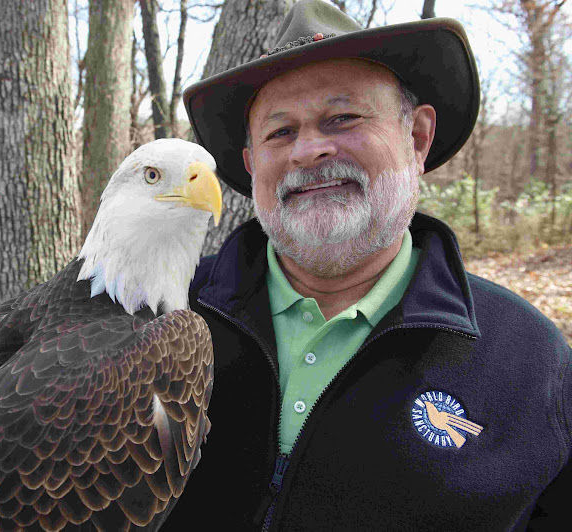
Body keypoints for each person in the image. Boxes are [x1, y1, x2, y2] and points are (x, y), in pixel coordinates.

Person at [162, 1, 572, 530]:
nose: (309, 150)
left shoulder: (532, 365)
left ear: (417, 138)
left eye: (343, 118)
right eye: (280, 132)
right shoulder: (154, 319)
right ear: (250, 164)